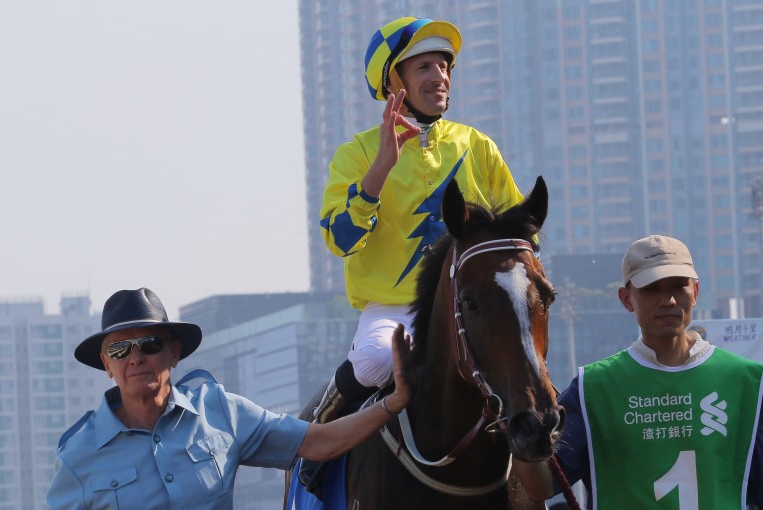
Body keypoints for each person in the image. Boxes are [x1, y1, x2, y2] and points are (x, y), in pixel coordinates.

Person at [302, 15, 529, 492]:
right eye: (424, 66)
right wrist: (382, 168)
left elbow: (517, 233)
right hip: (394, 310)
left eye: (444, 66)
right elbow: (339, 240)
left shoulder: (477, 146)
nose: (440, 77)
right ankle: (316, 438)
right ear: (394, 84)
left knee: (526, 366)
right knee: (372, 362)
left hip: (473, 303)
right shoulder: (357, 154)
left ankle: (546, 464)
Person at [46, 287, 411, 509]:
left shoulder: (219, 412)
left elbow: (318, 442)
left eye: (150, 345)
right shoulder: (79, 457)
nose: (136, 358)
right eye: (121, 349)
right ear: (106, 365)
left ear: (175, 353)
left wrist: (391, 405)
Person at [513, 235, 763, 509]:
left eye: (679, 286)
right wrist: (516, 425)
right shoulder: (593, 389)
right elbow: (541, 486)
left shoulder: (749, 383)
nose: (668, 299)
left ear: (696, 291)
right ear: (626, 298)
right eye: (652, 288)